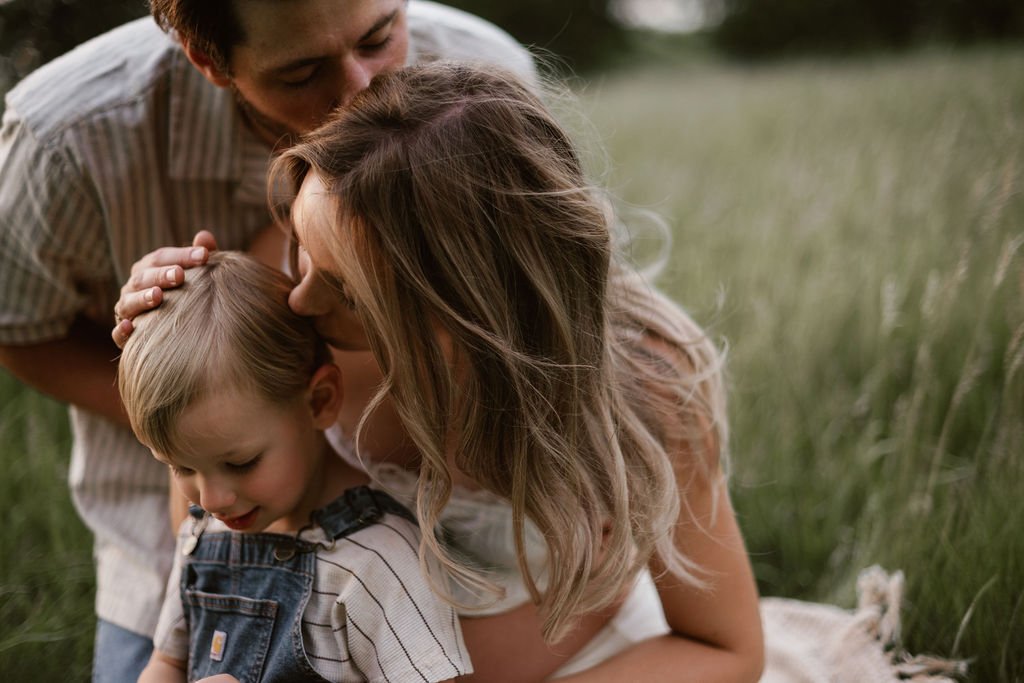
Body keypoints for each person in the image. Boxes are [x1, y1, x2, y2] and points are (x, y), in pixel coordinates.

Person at [119, 62, 765, 681]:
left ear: (462, 313)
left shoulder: (641, 393)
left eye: (345, 292)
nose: (299, 297)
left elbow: (727, 648)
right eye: (300, 248)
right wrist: (177, 336)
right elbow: (210, 517)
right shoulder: (300, 318)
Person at [0, 1, 535, 679]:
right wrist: (200, 416)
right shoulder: (63, 137)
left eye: (379, 36)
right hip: (171, 537)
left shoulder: (485, 77)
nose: (358, 89)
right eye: (303, 70)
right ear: (211, 62)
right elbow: (17, 328)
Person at [119, 251, 468, 682]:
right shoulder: (205, 538)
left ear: (320, 402)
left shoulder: (376, 561)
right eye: (180, 468)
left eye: (240, 462)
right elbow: (168, 660)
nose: (211, 499)